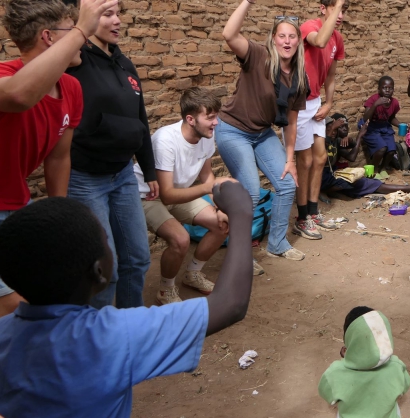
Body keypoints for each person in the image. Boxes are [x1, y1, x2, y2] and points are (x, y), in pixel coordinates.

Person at [0, 181, 256, 417]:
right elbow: (230, 304)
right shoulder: (111, 335)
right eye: (106, 242)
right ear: (99, 272)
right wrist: (241, 213)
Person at [0, 0, 108, 325]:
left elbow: (58, 156)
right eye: (74, 31)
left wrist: (59, 217)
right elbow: (20, 96)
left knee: (26, 303)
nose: (85, 40)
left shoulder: (71, 88)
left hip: (15, 206)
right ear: (48, 37)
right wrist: (82, 28)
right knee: (10, 306)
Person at [65, 2, 157, 309]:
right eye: (107, 14)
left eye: (118, 13)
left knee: (138, 259)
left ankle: (129, 326)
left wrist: (150, 170)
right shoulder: (73, 61)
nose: (117, 21)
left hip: (123, 176)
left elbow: (140, 120)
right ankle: (99, 337)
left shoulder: (124, 63)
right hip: (86, 179)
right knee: (106, 269)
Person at [134, 87, 246, 305]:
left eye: (216, 116)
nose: (216, 123)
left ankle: (192, 274)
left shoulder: (205, 136)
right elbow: (166, 195)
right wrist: (210, 188)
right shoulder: (166, 140)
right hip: (147, 196)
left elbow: (206, 179)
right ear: (190, 119)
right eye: (210, 117)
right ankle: (166, 290)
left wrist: (221, 208)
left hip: (179, 193)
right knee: (180, 239)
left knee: (223, 223)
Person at [215, 1, 309, 260]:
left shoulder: (299, 77)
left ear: (299, 41)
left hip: (261, 133)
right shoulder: (258, 55)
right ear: (274, 39)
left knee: (287, 185)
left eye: (292, 36)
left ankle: (277, 244)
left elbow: (291, 122)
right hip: (233, 130)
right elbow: (229, 35)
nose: (287, 41)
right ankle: (240, 255)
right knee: (252, 192)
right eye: (282, 36)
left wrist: (290, 160)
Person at [295, 0, 347, 236]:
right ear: (322, 8)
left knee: (320, 157)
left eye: (343, 10)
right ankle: (302, 216)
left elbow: (332, 75)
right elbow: (319, 40)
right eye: (336, 9)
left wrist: (328, 103)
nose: (340, 15)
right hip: (299, 104)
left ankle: (313, 212)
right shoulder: (309, 27)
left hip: (316, 102)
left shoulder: (338, 39)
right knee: (304, 161)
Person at [318, 306, 410, 418]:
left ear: (348, 345)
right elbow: (404, 386)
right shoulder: (396, 367)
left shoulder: (334, 373)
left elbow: (327, 394)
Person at [321, 114, 410, 197]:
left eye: (335, 130)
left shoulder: (336, 141)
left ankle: (409, 188)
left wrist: (356, 137)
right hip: (324, 177)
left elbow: (352, 154)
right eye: (329, 129)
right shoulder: (319, 144)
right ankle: (325, 191)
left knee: (366, 182)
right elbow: (323, 149)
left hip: (333, 174)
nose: (333, 132)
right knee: (355, 182)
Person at [361, 76, 402, 179]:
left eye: (390, 88)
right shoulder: (373, 99)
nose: (387, 90)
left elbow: (391, 118)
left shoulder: (394, 102)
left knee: (392, 150)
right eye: (384, 87)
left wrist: (400, 125)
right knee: (382, 148)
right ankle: (375, 169)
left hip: (384, 126)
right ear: (379, 89)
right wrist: (375, 105)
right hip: (370, 126)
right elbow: (365, 118)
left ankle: (383, 168)